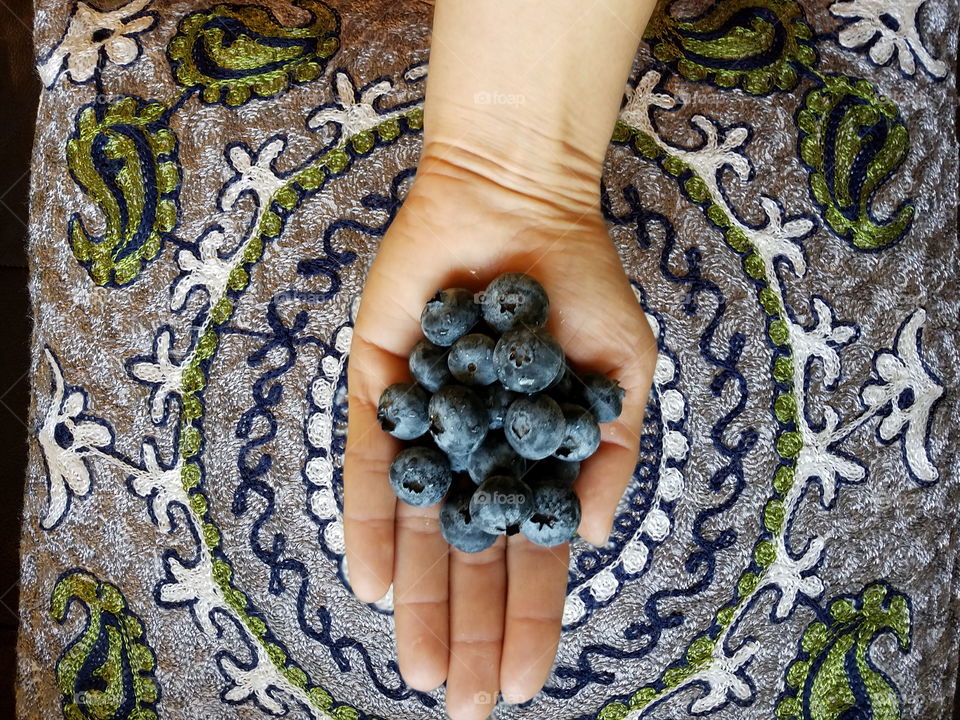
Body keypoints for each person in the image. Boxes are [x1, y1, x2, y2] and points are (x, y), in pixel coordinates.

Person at [343, 1, 659, 717]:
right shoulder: (484, 397)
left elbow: (485, 418)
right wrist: (506, 168)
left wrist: (521, 175)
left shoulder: (506, 394)